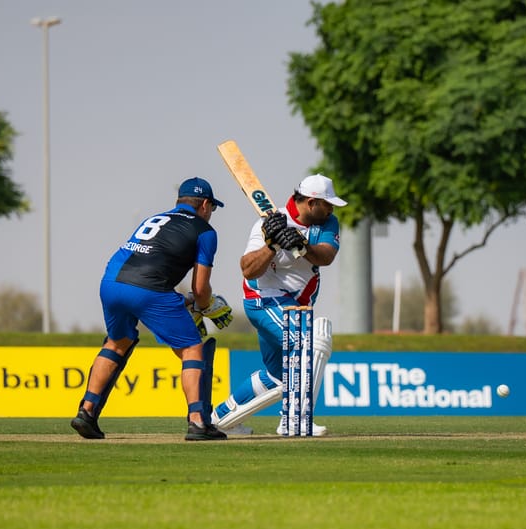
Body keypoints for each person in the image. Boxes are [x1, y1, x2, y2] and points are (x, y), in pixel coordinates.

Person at [70, 176, 233, 441]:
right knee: (192, 348)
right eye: (212, 208)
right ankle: (198, 422)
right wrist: (207, 307)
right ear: (205, 204)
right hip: (148, 289)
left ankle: (86, 412)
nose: (211, 213)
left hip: (112, 282)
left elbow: (150, 266)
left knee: (116, 343)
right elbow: (201, 289)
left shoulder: (153, 218)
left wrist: (189, 302)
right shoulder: (205, 232)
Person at [211, 174, 346, 436]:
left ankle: (219, 419)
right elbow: (248, 270)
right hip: (263, 299)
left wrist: (302, 244)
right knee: (308, 343)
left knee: (277, 376)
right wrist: (272, 245)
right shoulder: (266, 224)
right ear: (310, 202)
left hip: (295, 304)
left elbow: (327, 256)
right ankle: (295, 421)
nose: (331, 209)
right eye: (327, 204)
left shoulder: (328, 223)